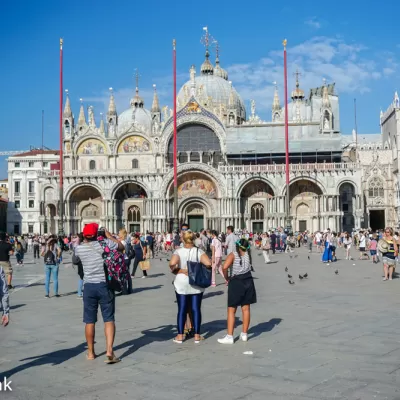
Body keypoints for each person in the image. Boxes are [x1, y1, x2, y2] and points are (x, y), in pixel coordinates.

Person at [72, 223, 123, 363]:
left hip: (88, 287)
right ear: (97, 234)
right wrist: (109, 236)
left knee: (89, 321)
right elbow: (121, 247)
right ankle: (109, 351)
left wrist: (79, 243)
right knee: (109, 319)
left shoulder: (79, 249)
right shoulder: (105, 244)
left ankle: (90, 353)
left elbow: (75, 261)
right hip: (104, 285)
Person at [169, 231, 212, 344]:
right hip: (196, 283)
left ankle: (180, 336)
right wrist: (196, 268)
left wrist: (181, 270)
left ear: (183, 239)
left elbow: (172, 264)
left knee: (182, 309)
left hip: (182, 283)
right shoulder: (199, 251)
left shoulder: (178, 251)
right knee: (196, 309)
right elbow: (208, 263)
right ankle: (197, 336)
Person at [218, 238, 257, 344]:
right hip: (248, 281)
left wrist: (226, 278)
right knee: (246, 309)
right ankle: (244, 334)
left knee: (231, 310)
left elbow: (224, 267)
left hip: (236, 282)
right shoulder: (248, 254)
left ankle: (230, 336)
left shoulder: (233, 254)